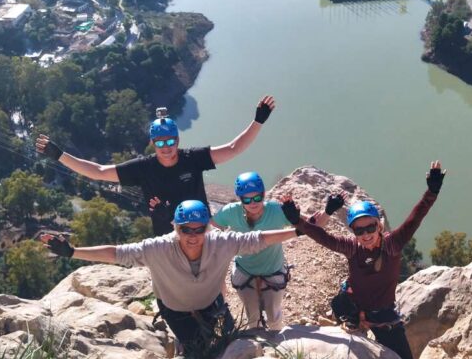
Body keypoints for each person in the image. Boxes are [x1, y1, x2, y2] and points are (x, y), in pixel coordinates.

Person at [40, 199, 298, 357]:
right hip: (177, 312)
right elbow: (117, 253)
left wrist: (298, 230)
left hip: (212, 305)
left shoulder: (221, 242)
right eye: (186, 229)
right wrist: (73, 252)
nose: (193, 235)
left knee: (230, 346)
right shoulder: (158, 248)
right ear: (176, 228)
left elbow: (258, 239)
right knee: (196, 353)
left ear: (207, 227)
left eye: (199, 229)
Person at [36, 96, 276, 236]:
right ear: (152, 143)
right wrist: (60, 156)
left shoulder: (192, 158)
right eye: (160, 142)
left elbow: (233, 149)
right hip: (168, 236)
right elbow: (98, 172)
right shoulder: (143, 168)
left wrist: (258, 121)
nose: (166, 147)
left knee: (212, 282)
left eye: (171, 140)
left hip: (202, 230)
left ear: (178, 140)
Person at [280, 161, 446, 359]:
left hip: (383, 314)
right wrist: (298, 221)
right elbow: (324, 238)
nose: (366, 234)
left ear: (379, 226)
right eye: (359, 230)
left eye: (370, 228)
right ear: (353, 231)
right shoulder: (352, 247)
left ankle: (354, 322)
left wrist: (431, 193)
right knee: (340, 303)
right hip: (353, 306)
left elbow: (415, 218)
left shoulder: (393, 244)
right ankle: (350, 321)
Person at [209, 172, 296, 330]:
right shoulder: (230, 212)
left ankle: (275, 348)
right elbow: (209, 228)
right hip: (245, 271)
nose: (253, 203)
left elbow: (313, 228)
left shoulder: (277, 211)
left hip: (273, 270)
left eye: (257, 197)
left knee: (274, 317)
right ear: (240, 199)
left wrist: (300, 219)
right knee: (252, 316)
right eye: (246, 199)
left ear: (263, 194)